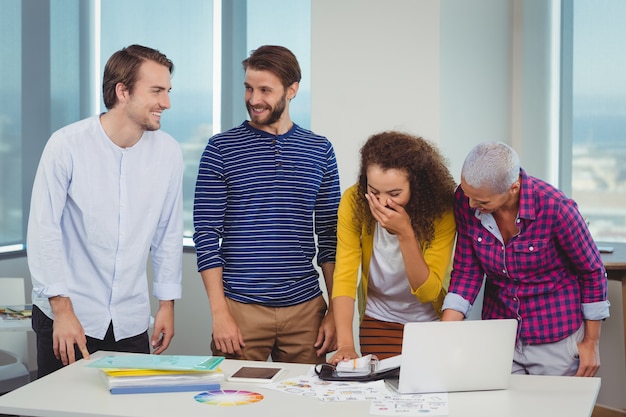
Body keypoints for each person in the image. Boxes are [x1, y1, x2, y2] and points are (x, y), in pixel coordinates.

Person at [27, 44, 183, 378]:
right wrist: (62, 310)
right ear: (122, 91)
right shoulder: (66, 145)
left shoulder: (168, 153)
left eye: (168, 91)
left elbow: (167, 233)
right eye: (157, 91)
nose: (166, 103)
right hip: (68, 315)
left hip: (130, 319)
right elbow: (44, 230)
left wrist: (166, 305)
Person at [192, 45, 341, 364]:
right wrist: (220, 314)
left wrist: (336, 314)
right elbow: (205, 235)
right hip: (240, 311)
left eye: (264, 90)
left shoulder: (320, 150)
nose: (254, 99)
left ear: (292, 90)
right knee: (233, 404)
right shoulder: (220, 149)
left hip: (306, 311)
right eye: (248, 88)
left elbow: (330, 237)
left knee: (306, 406)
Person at [441, 141, 610, 377]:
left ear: (513, 187)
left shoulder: (555, 208)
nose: (471, 204)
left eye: (482, 202)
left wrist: (591, 342)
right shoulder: (466, 199)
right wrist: (442, 336)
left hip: (555, 336)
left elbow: (592, 272)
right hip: (500, 335)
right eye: (468, 195)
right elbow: (467, 272)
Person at [329, 131, 457, 364]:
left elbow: (429, 292)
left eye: (395, 194)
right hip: (378, 321)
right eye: (374, 191)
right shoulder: (353, 202)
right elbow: (345, 277)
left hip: (429, 323)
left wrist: (405, 233)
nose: (383, 202)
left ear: (417, 187)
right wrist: (346, 345)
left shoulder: (442, 211)